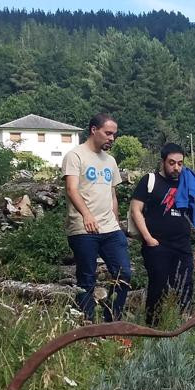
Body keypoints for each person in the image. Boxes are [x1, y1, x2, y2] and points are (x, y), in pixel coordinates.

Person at [62, 113, 131, 322]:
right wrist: (87, 215)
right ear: (94, 130)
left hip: (110, 228)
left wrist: (117, 221)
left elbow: (112, 194)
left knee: (124, 275)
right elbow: (71, 189)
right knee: (87, 279)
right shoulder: (75, 156)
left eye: (114, 135)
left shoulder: (110, 161)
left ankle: (112, 320)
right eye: (108, 133)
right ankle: (87, 325)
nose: (112, 138)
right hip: (84, 228)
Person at [129, 142, 195, 323]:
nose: (176, 167)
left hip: (182, 244)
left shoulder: (188, 182)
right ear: (162, 162)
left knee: (185, 286)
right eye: (172, 162)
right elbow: (135, 210)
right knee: (158, 287)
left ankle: (185, 326)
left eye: (180, 163)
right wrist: (148, 239)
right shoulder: (150, 180)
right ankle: (153, 327)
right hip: (157, 245)